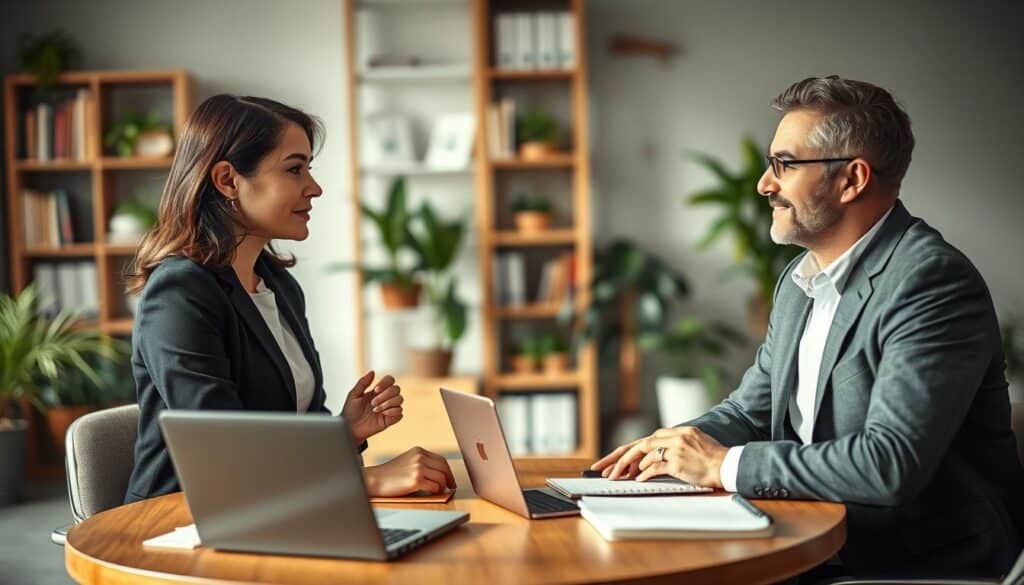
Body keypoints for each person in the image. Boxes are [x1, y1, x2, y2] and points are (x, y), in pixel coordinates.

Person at [591, 76, 1024, 578]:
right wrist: (670, 447)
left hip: (919, 565)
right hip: (822, 541)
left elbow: (889, 463)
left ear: (852, 179)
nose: (764, 184)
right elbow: (749, 410)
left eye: (785, 164)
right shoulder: (800, 283)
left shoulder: (930, 281)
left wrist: (721, 466)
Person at [124, 95, 455, 503]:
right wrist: (367, 481)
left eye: (308, 169)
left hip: (275, 510)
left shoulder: (278, 285)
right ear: (228, 180)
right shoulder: (179, 293)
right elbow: (224, 451)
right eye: (295, 169)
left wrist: (344, 431)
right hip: (182, 522)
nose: (314, 188)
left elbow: (283, 436)